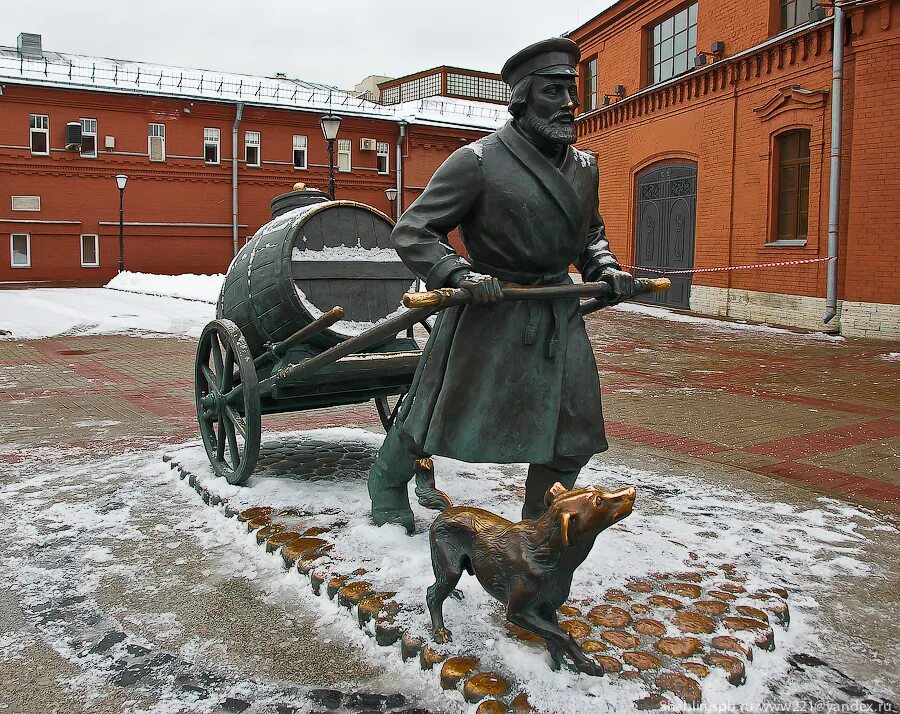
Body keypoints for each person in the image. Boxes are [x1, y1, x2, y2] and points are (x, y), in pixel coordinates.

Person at [367, 37, 634, 533]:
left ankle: (537, 525)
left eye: (572, 92)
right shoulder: (478, 161)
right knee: (433, 411)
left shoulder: (584, 167)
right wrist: (460, 275)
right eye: (554, 92)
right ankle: (386, 480)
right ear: (524, 97)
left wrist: (603, 269)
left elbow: (589, 233)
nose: (570, 104)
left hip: (556, 311)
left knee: (572, 425)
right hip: (489, 308)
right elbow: (413, 230)